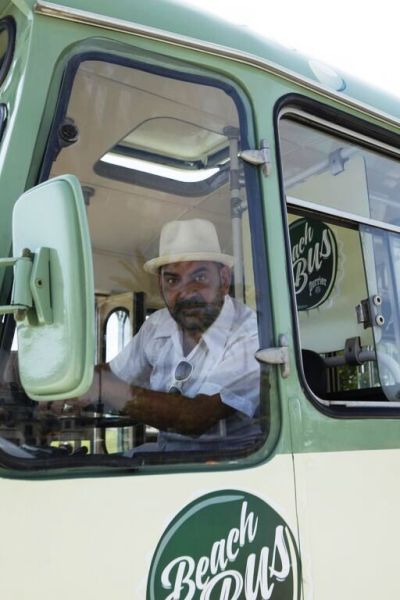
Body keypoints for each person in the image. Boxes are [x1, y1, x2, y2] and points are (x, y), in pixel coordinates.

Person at [78, 219, 260, 452]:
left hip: (231, 467)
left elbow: (196, 418)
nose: (185, 293)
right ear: (160, 283)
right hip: (167, 456)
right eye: (173, 280)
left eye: (199, 277)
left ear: (224, 280)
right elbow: (113, 373)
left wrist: (101, 386)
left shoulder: (249, 332)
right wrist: (72, 385)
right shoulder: (157, 325)